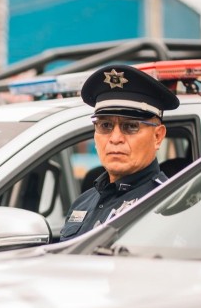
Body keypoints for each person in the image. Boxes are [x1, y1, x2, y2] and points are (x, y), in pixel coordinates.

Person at [58, 64, 180, 241]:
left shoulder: (167, 205)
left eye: (130, 126)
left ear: (157, 137)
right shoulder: (83, 203)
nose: (115, 138)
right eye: (105, 125)